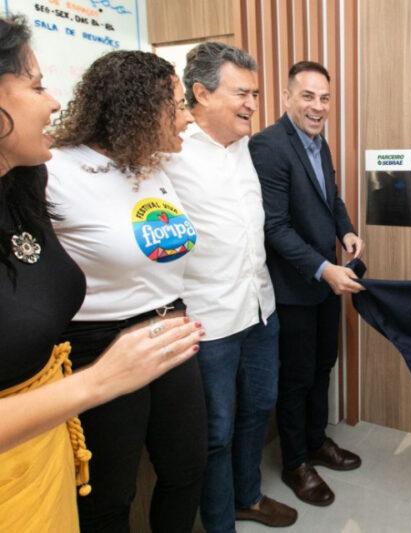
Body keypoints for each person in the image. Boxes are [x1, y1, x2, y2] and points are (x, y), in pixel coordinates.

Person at [0, 16, 203, 533]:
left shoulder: (153, 166)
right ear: (139, 110)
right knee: (109, 492)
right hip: (97, 344)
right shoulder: (53, 169)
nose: (186, 118)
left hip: (170, 333)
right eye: (177, 105)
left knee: (187, 469)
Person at [163, 42, 297, 531]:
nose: (252, 105)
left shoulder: (247, 147)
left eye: (255, 93)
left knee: (259, 409)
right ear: (200, 92)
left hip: (260, 308)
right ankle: (220, 523)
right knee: (215, 432)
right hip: (207, 320)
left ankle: (249, 497)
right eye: (242, 93)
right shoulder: (167, 151)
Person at [249, 61, 364, 507]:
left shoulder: (320, 143)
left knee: (323, 365)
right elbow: (275, 227)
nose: (318, 107)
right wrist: (323, 268)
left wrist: (346, 231)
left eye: (325, 98)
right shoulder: (269, 146)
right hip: (295, 287)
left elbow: (330, 199)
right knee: (296, 377)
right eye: (308, 96)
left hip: (325, 282)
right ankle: (296, 461)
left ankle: (317, 442)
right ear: (286, 97)